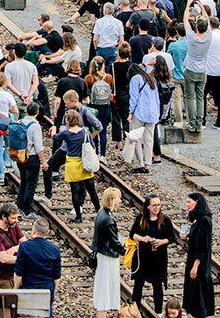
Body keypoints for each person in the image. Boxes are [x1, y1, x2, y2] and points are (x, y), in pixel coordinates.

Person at [130, 193, 178, 314]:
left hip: (158, 258)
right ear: (148, 206)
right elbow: (132, 234)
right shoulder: (141, 218)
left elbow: (172, 237)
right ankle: (135, 311)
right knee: (138, 285)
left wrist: (162, 241)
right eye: (154, 205)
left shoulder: (165, 219)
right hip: (143, 256)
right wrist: (142, 238)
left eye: (159, 205)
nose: (157, 208)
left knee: (157, 285)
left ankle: (158, 312)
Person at [51, 107, 101, 223]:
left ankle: (78, 216)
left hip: (72, 164)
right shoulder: (86, 132)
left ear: (67, 121)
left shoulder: (66, 134)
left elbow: (55, 137)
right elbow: (92, 146)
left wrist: (53, 130)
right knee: (92, 190)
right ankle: (99, 212)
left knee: (75, 192)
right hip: (84, 163)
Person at [14, 217, 62, 313]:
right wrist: (53, 291)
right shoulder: (55, 249)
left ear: (34, 231)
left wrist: (16, 288)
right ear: (47, 232)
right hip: (47, 288)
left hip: (28, 287)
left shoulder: (24, 247)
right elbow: (56, 276)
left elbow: (18, 272)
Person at [91, 187, 126, 317]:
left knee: (103, 286)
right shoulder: (109, 219)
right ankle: (102, 314)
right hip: (108, 257)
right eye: (118, 198)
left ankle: (101, 313)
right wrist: (124, 251)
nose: (120, 201)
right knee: (106, 287)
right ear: (112, 199)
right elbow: (114, 241)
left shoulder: (102, 212)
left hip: (102, 254)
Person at [182, 192, 214, 318]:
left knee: (199, 291)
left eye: (189, 202)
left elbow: (203, 246)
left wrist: (195, 266)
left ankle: (201, 314)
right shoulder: (198, 220)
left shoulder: (204, 221)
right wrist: (189, 235)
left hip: (199, 263)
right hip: (194, 259)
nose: (187, 205)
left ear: (197, 202)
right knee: (193, 291)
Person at [127, 61, 162, 173]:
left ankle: (141, 163)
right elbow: (157, 98)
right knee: (149, 139)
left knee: (136, 137)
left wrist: (130, 112)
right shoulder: (152, 79)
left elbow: (134, 97)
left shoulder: (135, 79)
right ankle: (148, 164)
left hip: (140, 112)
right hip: (152, 113)